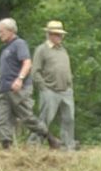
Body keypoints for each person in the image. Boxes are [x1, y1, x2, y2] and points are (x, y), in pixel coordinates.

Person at [0, 18, 52, 148]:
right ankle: (6, 147)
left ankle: (49, 137)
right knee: (2, 119)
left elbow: (27, 62)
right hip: (5, 90)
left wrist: (19, 79)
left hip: (18, 89)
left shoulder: (19, 44)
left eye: (1, 32)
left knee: (27, 117)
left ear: (10, 31)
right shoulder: (5, 48)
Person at [32, 21, 76, 150]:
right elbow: (35, 72)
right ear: (50, 34)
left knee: (69, 119)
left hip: (66, 90)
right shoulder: (42, 50)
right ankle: (34, 144)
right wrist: (43, 87)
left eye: (61, 35)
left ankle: (68, 145)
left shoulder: (63, 50)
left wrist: (70, 85)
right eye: (57, 34)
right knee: (45, 118)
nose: (60, 37)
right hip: (50, 89)